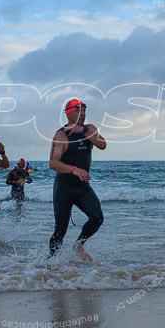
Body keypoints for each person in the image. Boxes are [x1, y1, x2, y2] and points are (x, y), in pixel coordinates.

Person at [49, 99, 106, 261]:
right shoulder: (61, 135)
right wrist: (75, 169)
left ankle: (79, 244)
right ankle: (50, 262)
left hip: (82, 188)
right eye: (78, 111)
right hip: (64, 188)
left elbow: (102, 145)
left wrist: (84, 132)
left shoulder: (90, 129)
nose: (82, 115)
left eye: (84, 111)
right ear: (68, 113)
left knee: (97, 218)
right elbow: (53, 163)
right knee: (60, 230)